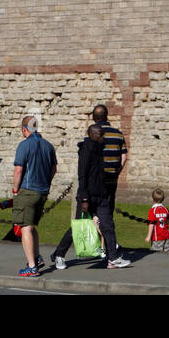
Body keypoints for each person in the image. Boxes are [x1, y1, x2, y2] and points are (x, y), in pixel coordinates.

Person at [52, 124, 116, 270]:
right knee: (77, 227)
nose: (103, 138)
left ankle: (113, 256)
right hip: (87, 196)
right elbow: (83, 176)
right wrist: (85, 199)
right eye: (101, 135)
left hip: (99, 195)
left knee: (106, 223)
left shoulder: (99, 149)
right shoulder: (86, 151)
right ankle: (59, 255)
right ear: (93, 135)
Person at [10, 116, 57, 277]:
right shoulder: (48, 146)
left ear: (24, 129)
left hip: (28, 190)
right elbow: (53, 169)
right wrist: (46, 183)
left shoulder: (24, 145)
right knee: (32, 226)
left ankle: (32, 266)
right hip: (43, 191)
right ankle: (36, 257)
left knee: (25, 228)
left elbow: (18, 170)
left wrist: (15, 189)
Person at [90, 104, 131, 268]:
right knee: (107, 216)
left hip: (96, 181)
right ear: (107, 116)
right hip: (111, 181)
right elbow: (124, 157)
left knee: (93, 216)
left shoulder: (93, 133)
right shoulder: (118, 134)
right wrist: (116, 173)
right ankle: (110, 253)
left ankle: (107, 252)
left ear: (94, 117)